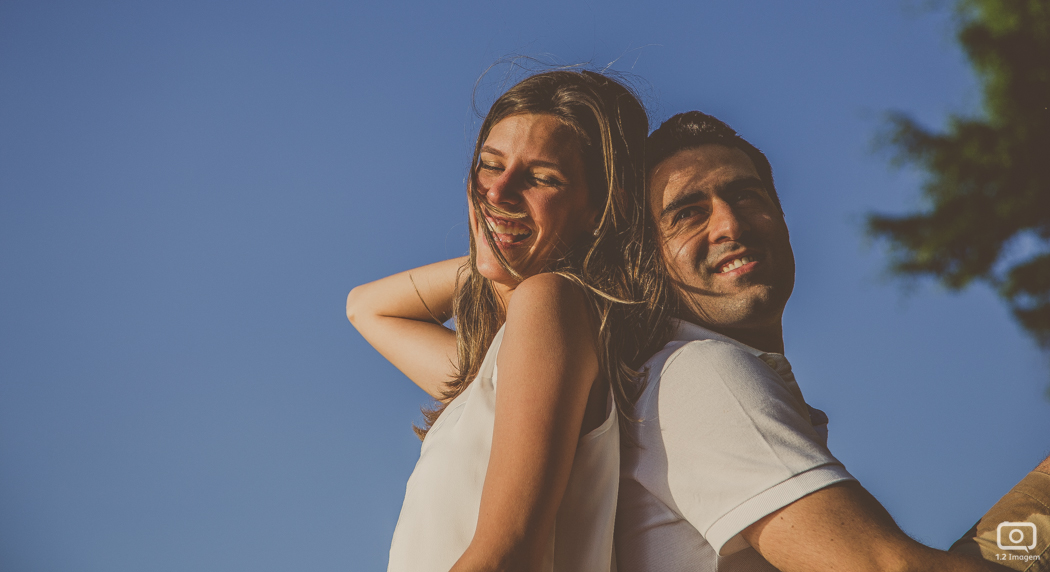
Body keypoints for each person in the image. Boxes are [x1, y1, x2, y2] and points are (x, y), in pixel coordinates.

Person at [615, 110, 1050, 572]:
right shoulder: (700, 371)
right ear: (647, 260)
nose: (730, 225)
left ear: (781, 218)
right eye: (687, 214)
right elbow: (883, 568)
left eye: (746, 196)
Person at [346, 70, 673, 572]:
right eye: (489, 166)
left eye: (542, 178)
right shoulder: (498, 366)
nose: (497, 192)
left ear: (602, 208)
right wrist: (494, 251)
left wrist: (509, 251)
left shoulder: (551, 303)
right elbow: (365, 307)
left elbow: (506, 553)